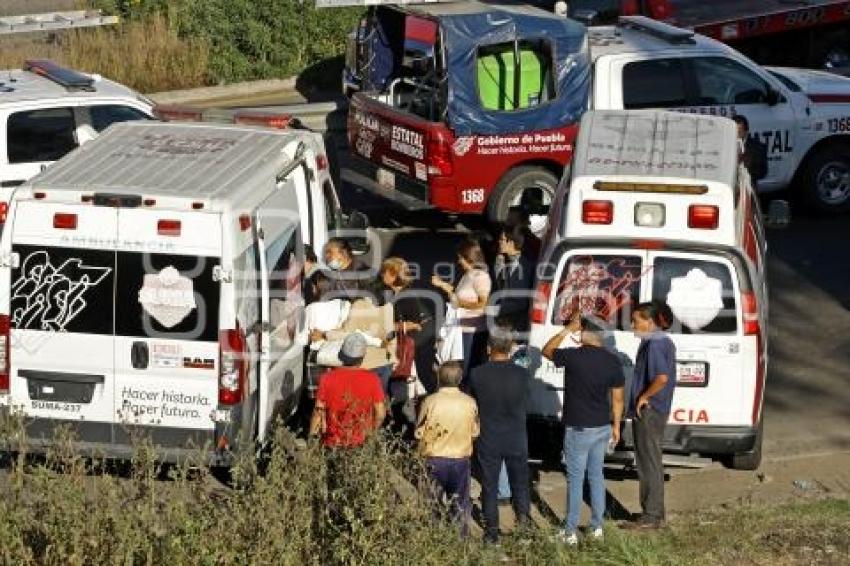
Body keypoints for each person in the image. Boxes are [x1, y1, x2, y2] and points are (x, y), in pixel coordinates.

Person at [542, 317, 625, 545]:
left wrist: (567, 329)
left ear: (586, 333)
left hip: (578, 427)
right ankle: (597, 527)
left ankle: (569, 531)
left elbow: (547, 350)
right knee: (596, 476)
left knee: (576, 479)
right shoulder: (612, 361)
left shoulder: (573, 356)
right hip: (602, 427)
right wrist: (616, 426)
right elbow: (617, 398)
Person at [469, 330, 531, 544]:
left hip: (489, 437)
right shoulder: (522, 375)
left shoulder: (477, 374)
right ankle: (523, 528)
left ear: (488, 349)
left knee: (490, 486)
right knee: (520, 484)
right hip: (516, 437)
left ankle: (491, 534)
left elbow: (472, 404)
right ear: (510, 347)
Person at [622, 301, 676, 530]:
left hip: (650, 411)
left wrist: (644, 397)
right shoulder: (659, 341)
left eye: (636, 320)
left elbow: (661, 377)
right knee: (649, 459)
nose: (632, 324)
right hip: (655, 409)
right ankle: (653, 512)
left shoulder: (655, 343)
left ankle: (652, 515)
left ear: (649, 321)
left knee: (648, 461)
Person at [415, 361, 480, 536]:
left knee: (431, 503)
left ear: (439, 378)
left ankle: (432, 539)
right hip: (460, 459)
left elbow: (419, 432)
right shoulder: (469, 402)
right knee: (459, 504)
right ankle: (459, 543)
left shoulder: (430, 401)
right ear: (460, 379)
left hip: (434, 458)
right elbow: (475, 432)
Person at [309, 333, 386, 448]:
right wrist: (370, 433)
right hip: (361, 443)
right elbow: (380, 414)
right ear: (362, 357)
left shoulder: (327, 378)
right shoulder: (372, 379)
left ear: (340, 354)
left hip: (333, 442)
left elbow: (318, 412)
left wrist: (312, 438)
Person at [431, 239, 492, 382]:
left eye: (461, 258)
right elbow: (457, 294)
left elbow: (483, 303)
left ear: (469, 258)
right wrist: (442, 285)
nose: (459, 261)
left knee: (465, 370)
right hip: (461, 329)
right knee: (458, 367)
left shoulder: (480, 276)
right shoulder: (468, 274)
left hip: (472, 332)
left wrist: (460, 304)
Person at [316, 296, 397, 395]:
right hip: (385, 362)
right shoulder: (388, 305)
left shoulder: (359, 305)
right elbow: (390, 334)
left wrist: (325, 334)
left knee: (360, 401)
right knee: (378, 400)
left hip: (366, 363)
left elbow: (348, 333)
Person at [493, 225, 535, 334]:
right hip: (506, 321)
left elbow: (520, 301)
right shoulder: (508, 261)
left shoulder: (523, 265)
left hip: (515, 325)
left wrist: (495, 309)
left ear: (511, 242)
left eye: (502, 239)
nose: (499, 242)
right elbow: (500, 284)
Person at [733, 114, 768, 190]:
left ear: (746, 131)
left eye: (739, 132)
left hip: (748, 189)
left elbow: (762, 172)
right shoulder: (725, 146)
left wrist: (744, 173)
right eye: (733, 131)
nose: (736, 135)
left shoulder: (758, 147)